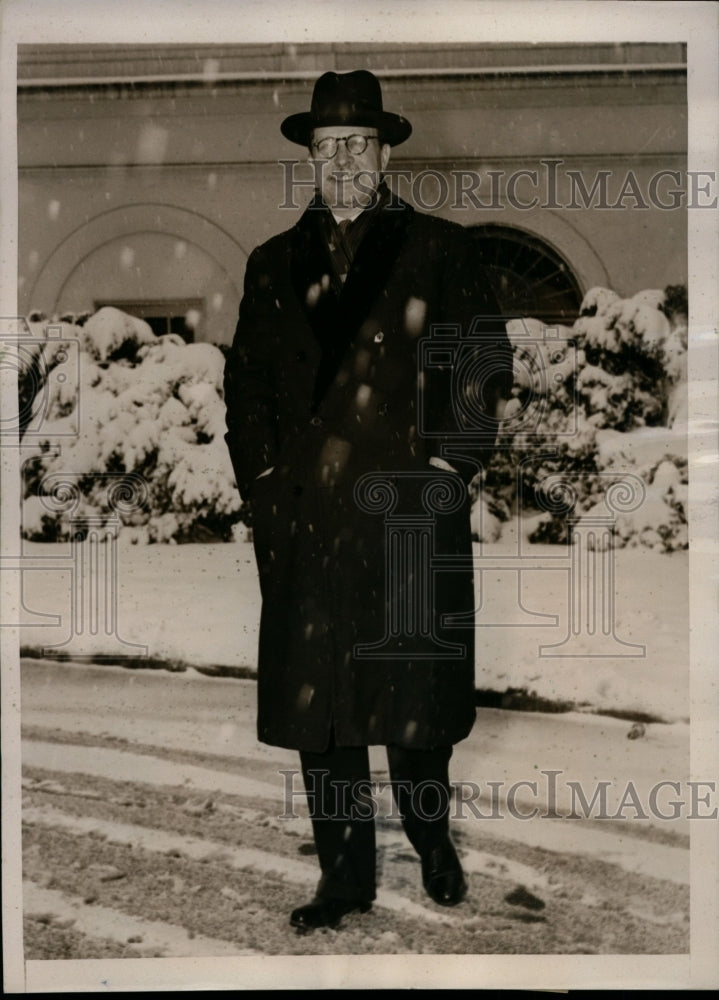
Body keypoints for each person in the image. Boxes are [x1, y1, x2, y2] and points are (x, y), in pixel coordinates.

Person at [223, 69, 513, 931]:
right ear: (309, 162)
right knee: (327, 716)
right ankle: (343, 879)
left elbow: (479, 366)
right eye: (326, 148)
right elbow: (246, 393)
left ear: (383, 153)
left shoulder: (437, 250)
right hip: (309, 521)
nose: (342, 160)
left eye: (356, 144)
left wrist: (452, 471)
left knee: (414, 710)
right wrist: (267, 488)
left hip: (407, 516)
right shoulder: (272, 265)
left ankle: (432, 842)